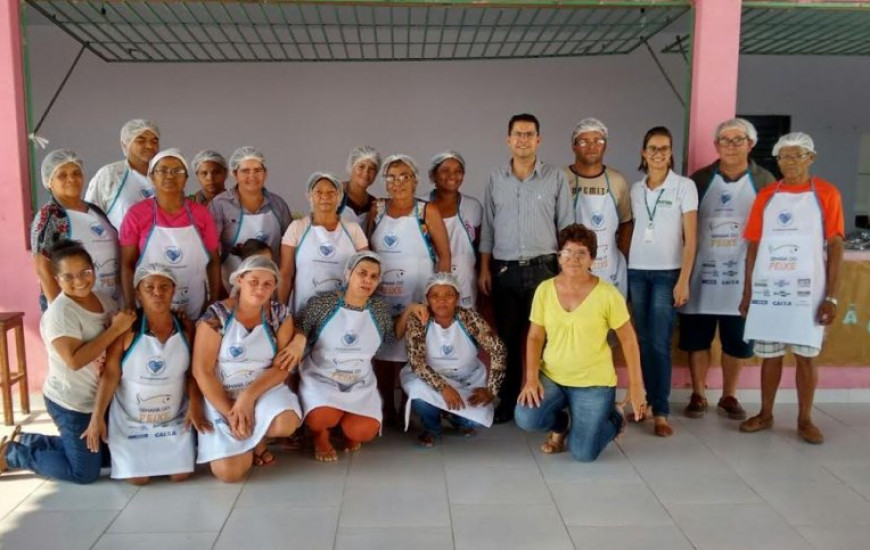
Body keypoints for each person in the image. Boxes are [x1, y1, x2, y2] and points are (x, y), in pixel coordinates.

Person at [0, 241, 136, 483]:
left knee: (111, 456)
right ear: (56, 278)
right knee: (85, 473)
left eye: (85, 272)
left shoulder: (105, 301)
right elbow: (75, 360)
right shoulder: (61, 313)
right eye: (69, 276)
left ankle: (30, 439)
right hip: (71, 403)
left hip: (100, 399)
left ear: (93, 269)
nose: (80, 281)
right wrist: (115, 330)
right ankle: (14, 454)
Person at [739, 132, 844, 445]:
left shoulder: (826, 194)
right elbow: (754, 246)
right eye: (784, 156)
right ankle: (766, 413)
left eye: (797, 155)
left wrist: (832, 297)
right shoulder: (767, 196)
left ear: (810, 158)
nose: (789, 162)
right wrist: (748, 293)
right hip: (770, 290)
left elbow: (836, 246)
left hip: (808, 291)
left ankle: (805, 419)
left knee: (805, 356)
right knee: (769, 356)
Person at [515, 225, 646, 461]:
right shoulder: (545, 290)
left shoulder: (607, 294)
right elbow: (535, 336)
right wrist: (532, 378)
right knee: (526, 417)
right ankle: (561, 424)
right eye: (567, 252)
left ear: (592, 259)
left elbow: (628, 339)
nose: (573, 259)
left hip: (593, 383)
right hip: (553, 376)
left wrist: (636, 387)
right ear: (559, 257)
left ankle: (614, 419)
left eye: (581, 253)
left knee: (583, 453)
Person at [479, 113, 574, 424]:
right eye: (517, 134)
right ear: (508, 140)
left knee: (548, 339)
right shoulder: (495, 179)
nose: (523, 139)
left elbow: (566, 226)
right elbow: (490, 228)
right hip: (505, 270)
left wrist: (566, 273)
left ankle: (549, 401)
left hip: (545, 270)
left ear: (538, 139)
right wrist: (484, 268)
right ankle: (508, 402)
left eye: (529, 134)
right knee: (508, 339)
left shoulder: (556, 177)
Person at [680, 118, 776, 420]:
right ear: (716, 145)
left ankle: (729, 394)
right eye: (725, 140)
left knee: (737, 342)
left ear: (750, 144)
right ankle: (698, 392)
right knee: (698, 339)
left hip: (742, 276)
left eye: (738, 140)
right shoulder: (699, 179)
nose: (731, 146)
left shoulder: (764, 181)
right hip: (701, 273)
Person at [83, 263, 210, 485]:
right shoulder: (126, 329)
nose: (157, 292)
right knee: (137, 480)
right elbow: (111, 374)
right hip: (131, 419)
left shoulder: (186, 327)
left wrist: (195, 404)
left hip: (173, 415)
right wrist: (97, 417)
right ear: (138, 293)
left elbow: (193, 374)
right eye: (149, 287)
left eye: (164, 286)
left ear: (174, 290)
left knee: (180, 476)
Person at [290, 252, 418, 461]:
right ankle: (320, 436)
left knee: (364, 431)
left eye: (374, 276)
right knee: (321, 417)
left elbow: (390, 337)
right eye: (362, 273)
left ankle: (346, 425)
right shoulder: (323, 303)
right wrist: (298, 340)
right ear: (348, 274)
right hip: (323, 379)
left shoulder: (378, 308)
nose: (367, 280)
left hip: (359, 382)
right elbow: (301, 327)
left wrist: (409, 310)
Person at [193, 256, 303, 481]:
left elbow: (282, 367)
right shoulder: (217, 316)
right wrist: (231, 413)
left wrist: (248, 397)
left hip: (263, 390)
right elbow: (202, 370)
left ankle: (258, 441)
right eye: (253, 281)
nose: (260, 288)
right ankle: (250, 444)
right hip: (221, 394)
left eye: (267, 284)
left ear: (274, 287)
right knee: (229, 474)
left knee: (285, 423)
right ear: (240, 281)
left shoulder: (280, 315)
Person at [367, 154, 451, 423]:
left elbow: (444, 256)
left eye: (405, 176)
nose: (398, 182)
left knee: (411, 351)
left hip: (417, 292)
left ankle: (406, 405)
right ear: (385, 182)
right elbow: (368, 249)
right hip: (382, 293)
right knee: (382, 350)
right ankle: (385, 409)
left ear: (415, 181)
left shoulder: (428, 211)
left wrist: (440, 295)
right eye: (391, 177)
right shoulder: (377, 209)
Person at [628, 126, 698, 437]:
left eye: (665, 148)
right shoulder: (635, 189)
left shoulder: (684, 187)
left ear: (671, 153)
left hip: (668, 273)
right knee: (641, 343)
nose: (658, 153)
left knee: (659, 343)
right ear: (643, 152)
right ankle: (641, 403)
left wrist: (684, 280)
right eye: (653, 148)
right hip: (637, 272)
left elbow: (691, 239)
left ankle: (662, 410)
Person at [400, 273, 506, 447]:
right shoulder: (418, 320)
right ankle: (432, 429)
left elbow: (498, 350)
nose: (442, 301)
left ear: (457, 298)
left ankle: (454, 416)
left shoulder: (470, 318)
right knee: (419, 394)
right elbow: (417, 362)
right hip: (430, 380)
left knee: (474, 422)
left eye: (448, 295)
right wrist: (444, 388)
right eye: (435, 296)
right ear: (427, 299)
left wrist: (491, 391)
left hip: (467, 380)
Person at [119, 149, 221, 320]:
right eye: (163, 170)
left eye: (177, 171)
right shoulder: (136, 214)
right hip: (151, 302)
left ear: (186, 178)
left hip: (194, 301)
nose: (170, 176)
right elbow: (127, 264)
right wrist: (130, 304)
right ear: (151, 176)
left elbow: (214, 262)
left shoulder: (201, 214)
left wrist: (214, 302)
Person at [32, 150, 120, 310]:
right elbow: (42, 267)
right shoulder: (51, 215)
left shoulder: (94, 210)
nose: (71, 179)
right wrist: (60, 310)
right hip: (75, 306)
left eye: (76, 173)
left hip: (107, 301)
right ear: (49, 181)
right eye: (62, 175)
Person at [279, 172, 368, 312]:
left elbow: (366, 271)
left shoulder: (353, 230)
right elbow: (286, 273)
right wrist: (280, 311)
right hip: (303, 310)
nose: (325, 196)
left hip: (343, 311)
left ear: (339, 196)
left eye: (331, 192)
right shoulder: (298, 227)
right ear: (310, 196)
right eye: (318, 192)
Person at [209, 147, 293, 293]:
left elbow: (290, 249)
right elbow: (212, 253)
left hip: (270, 287)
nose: (252, 176)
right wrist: (217, 291)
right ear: (234, 174)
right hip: (231, 287)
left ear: (265, 173)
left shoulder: (278, 204)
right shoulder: (220, 205)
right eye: (245, 171)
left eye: (257, 170)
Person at [565, 118, 632, 297]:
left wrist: (620, 256)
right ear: (574, 147)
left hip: (608, 268)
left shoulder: (617, 181)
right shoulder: (561, 179)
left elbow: (626, 222)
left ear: (605, 146)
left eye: (598, 141)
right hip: (571, 267)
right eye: (584, 141)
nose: (592, 146)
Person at [428, 151, 483, 308]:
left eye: (458, 171)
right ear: (433, 175)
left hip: (465, 278)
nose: (452, 176)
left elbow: (481, 245)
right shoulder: (422, 205)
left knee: (465, 324)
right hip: (431, 275)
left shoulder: (473, 206)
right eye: (445, 171)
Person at [85, 119, 160, 229]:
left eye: (154, 141)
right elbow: (90, 216)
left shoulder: (164, 175)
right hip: (118, 245)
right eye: (141, 140)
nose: (149, 145)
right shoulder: (110, 174)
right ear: (126, 143)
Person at [339, 146, 380, 226]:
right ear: (351, 167)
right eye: (361, 166)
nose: (366, 173)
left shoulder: (373, 204)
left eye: (371, 169)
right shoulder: (334, 193)